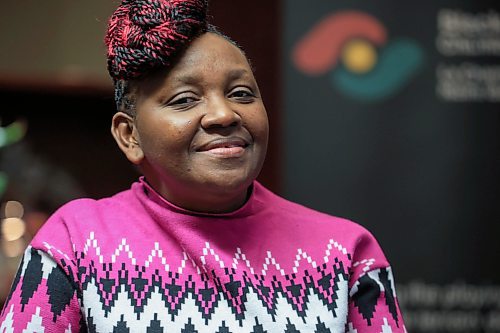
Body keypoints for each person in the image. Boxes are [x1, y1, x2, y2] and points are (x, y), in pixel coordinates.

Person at [0, 0, 406, 331]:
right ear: (129, 136)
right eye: (185, 100)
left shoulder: (347, 255)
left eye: (242, 93)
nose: (224, 114)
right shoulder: (75, 243)